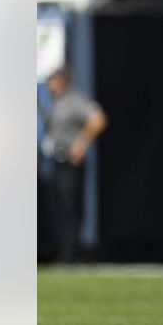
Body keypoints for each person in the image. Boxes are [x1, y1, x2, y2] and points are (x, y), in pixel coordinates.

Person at [42, 68, 108, 263]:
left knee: (71, 208)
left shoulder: (75, 100)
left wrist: (81, 142)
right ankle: (65, 251)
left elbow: (98, 119)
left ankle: (71, 254)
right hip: (55, 160)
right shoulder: (53, 102)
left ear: (62, 80)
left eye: (52, 80)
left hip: (70, 161)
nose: (48, 85)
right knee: (59, 208)